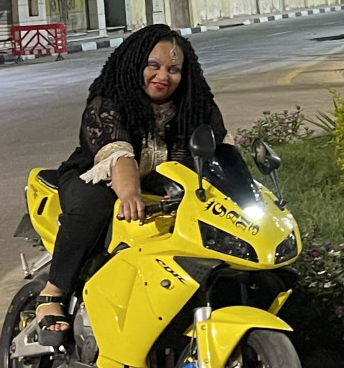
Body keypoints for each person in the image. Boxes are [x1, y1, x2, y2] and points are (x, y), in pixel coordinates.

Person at [29, 23, 225, 347]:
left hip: (160, 188)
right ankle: (53, 292)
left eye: (173, 69)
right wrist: (130, 194)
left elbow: (214, 154)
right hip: (95, 178)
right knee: (95, 206)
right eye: (153, 65)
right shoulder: (109, 103)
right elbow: (118, 155)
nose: (163, 76)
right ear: (135, 64)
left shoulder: (195, 108)